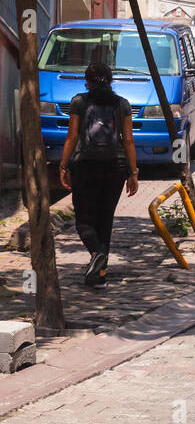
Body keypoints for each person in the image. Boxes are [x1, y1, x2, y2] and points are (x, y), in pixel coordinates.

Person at [59, 61, 138, 287]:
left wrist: (63, 166)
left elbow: (72, 137)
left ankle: (97, 254)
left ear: (87, 82)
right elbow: (129, 140)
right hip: (116, 167)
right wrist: (133, 172)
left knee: (84, 220)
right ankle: (99, 275)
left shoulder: (79, 102)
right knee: (105, 219)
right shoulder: (122, 104)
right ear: (111, 81)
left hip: (85, 166)